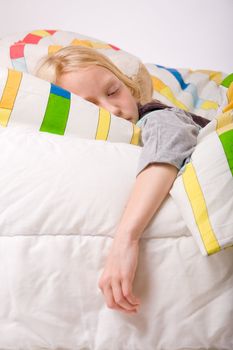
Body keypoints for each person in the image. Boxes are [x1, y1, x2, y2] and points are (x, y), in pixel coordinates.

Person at [35, 46, 210, 315]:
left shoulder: (156, 117)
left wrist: (125, 240)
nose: (112, 109)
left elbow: (168, 147)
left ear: (127, 85)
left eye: (113, 91)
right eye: (89, 105)